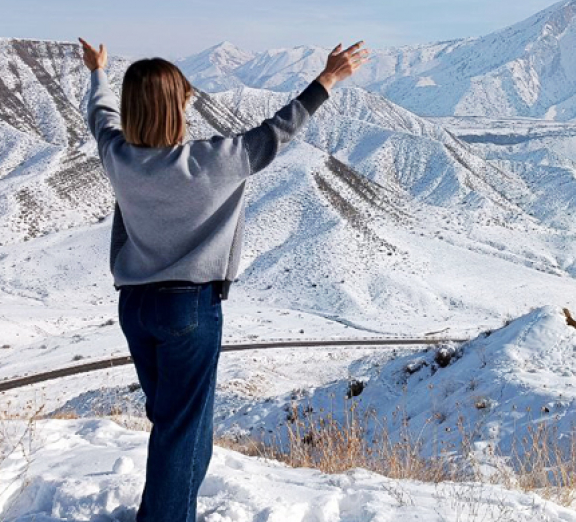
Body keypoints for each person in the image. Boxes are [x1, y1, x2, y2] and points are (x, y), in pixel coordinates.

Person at [78, 36, 368, 521]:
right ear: (176, 107)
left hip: (135, 308)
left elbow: (100, 116)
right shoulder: (215, 159)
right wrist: (328, 79)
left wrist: (97, 72)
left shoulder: (119, 157)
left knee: (177, 424)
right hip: (188, 308)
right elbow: (279, 130)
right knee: (181, 428)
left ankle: (171, 510)